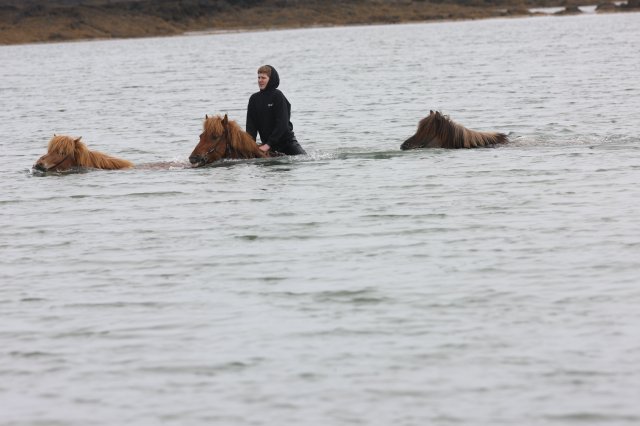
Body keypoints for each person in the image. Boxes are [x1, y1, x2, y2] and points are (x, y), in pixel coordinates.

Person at [246, 65, 306, 155]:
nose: (260, 80)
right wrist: (250, 145)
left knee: (304, 159)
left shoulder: (277, 96)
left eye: (263, 78)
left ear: (271, 79)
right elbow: (251, 126)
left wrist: (268, 144)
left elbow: (282, 124)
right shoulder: (253, 99)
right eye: (258, 77)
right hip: (268, 146)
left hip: (287, 144)